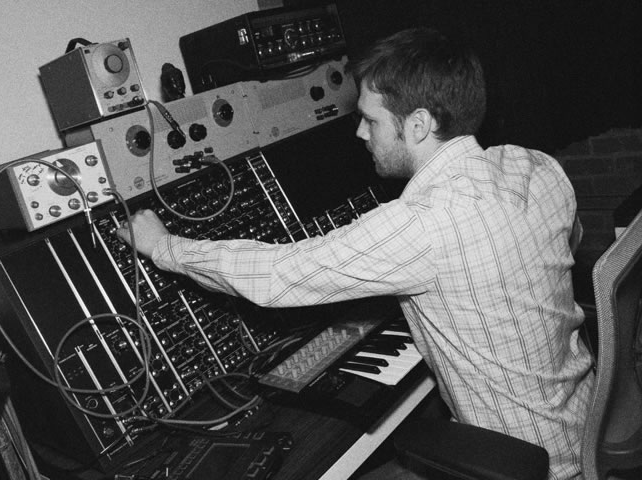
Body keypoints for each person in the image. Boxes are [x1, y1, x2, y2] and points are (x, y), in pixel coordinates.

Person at [116, 27, 594, 479]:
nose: (361, 133)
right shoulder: (533, 164)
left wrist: (164, 246)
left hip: (527, 464)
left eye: (371, 120)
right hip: (586, 424)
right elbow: (567, 245)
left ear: (419, 125)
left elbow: (276, 275)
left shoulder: (423, 223)